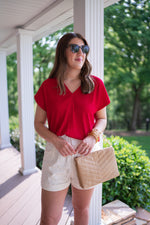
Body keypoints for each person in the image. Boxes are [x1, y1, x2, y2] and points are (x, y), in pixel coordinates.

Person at [34, 32, 110, 225]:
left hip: (87, 152)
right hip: (57, 153)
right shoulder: (48, 87)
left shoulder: (96, 85)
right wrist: (56, 140)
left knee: (82, 210)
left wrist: (93, 137)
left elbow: (102, 119)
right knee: (49, 218)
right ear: (63, 52)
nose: (81, 53)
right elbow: (38, 124)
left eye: (84, 49)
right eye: (75, 48)